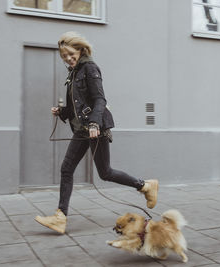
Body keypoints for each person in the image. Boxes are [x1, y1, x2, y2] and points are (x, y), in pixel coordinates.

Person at [34, 32, 159, 234]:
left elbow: (99, 99)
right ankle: (60, 217)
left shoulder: (90, 68)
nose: (67, 58)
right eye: (64, 56)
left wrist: (94, 123)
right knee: (67, 169)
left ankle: (145, 186)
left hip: (95, 128)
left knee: (105, 173)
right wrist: (62, 111)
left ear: (81, 50)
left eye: (70, 54)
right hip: (82, 130)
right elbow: (78, 105)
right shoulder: (73, 73)